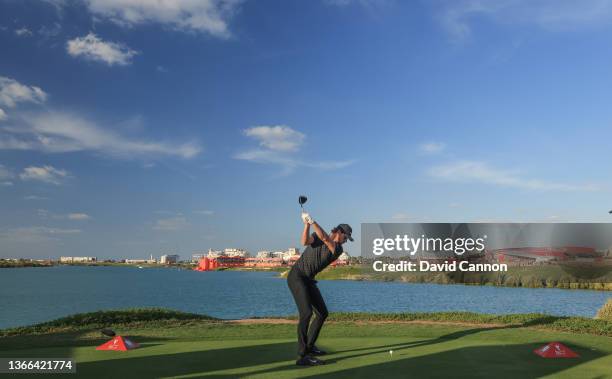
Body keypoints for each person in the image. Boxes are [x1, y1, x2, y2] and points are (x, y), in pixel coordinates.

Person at [287, 211, 353, 366]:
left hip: (308, 280)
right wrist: (306, 225)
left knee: (322, 313)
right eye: (346, 237)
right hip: (296, 276)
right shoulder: (317, 237)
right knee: (306, 313)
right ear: (339, 232)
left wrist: (312, 221)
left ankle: (310, 346)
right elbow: (304, 241)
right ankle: (303, 356)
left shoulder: (337, 249)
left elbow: (325, 238)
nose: (346, 241)